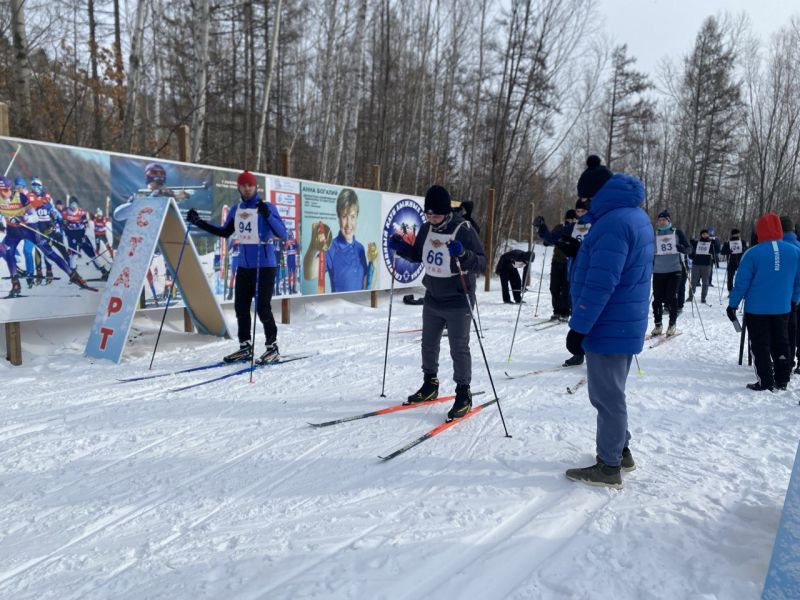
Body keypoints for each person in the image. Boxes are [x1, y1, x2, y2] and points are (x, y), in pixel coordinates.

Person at [564, 155, 654, 489]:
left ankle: (609, 465)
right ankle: (622, 449)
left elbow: (602, 282)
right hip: (621, 321)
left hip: (608, 324)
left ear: (595, 194)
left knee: (606, 398)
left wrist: (580, 326)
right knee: (612, 393)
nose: (584, 206)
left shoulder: (614, 223)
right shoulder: (633, 215)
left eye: (586, 199)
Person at [388, 185, 487, 421]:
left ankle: (464, 393)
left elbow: (483, 264)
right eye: (428, 214)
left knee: (458, 348)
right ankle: (430, 384)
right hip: (433, 296)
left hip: (458, 298)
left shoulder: (464, 229)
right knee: (428, 344)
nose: (432, 219)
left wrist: (464, 255)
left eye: (436, 215)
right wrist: (402, 248)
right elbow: (417, 255)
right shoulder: (426, 228)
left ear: (447, 212)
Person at [187, 170, 288, 364]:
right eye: (244, 185)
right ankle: (245, 347)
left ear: (255, 187)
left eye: (250, 185)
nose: (247, 188)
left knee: (262, 308)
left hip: (264, 265)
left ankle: (272, 347)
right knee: (240, 307)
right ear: (239, 188)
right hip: (244, 266)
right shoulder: (237, 209)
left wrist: (268, 217)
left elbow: (282, 234)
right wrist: (198, 222)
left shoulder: (266, 206)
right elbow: (225, 232)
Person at [727, 213, 800, 391]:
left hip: (757, 309)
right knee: (781, 342)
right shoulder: (795, 251)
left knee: (760, 345)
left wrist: (733, 304)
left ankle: (765, 381)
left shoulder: (752, 253)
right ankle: (782, 380)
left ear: (759, 230)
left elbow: (741, 283)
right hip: (783, 307)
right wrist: (794, 300)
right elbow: (798, 280)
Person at [0, 176, 91, 296]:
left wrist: (23, 218)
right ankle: (15, 283)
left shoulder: (20, 197)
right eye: (0, 191)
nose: (3, 194)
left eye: (5, 190)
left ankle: (74, 276)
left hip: (29, 229)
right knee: (7, 250)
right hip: (13, 232)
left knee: (49, 253)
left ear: (10, 189)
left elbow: (34, 215)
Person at [302, 189, 379, 293]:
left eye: (352, 217)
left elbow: (367, 285)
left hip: (360, 306)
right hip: (340, 308)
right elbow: (308, 274)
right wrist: (313, 247)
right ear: (338, 217)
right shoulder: (331, 247)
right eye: (344, 217)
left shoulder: (360, 248)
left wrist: (373, 262)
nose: (348, 224)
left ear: (357, 217)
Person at [534, 209, 578, 321]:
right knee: (554, 287)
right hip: (557, 261)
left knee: (566, 288)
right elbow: (549, 239)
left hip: (569, 262)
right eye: (568, 219)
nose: (570, 221)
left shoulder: (576, 229)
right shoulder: (560, 227)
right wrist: (543, 233)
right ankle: (557, 311)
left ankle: (565, 312)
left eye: (573, 219)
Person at [651, 210, 689, 336]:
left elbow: (689, 248)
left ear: (669, 220)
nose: (661, 222)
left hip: (674, 269)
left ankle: (672, 324)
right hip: (658, 270)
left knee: (671, 297)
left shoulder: (676, 232)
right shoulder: (655, 234)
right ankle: (658, 324)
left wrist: (683, 249)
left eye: (664, 220)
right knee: (657, 299)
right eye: (660, 220)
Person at [62, 196, 110, 280]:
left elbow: (85, 224)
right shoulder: (65, 212)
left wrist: (83, 232)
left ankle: (103, 271)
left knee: (91, 253)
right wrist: (66, 225)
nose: (74, 206)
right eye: (72, 204)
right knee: (74, 253)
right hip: (71, 235)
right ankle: (73, 274)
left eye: (75, 204)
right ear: (69, 205)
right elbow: (63, 223)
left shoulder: (81, 212)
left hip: (81, 234)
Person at [781, 216, 800, 373]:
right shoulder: (797, 246)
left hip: (784, 297)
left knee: (785, 330)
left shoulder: (778, 248)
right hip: (796, 296)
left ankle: (785, 359)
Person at [689, 230, 714, 304]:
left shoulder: (711, 243)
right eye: (703, 234)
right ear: (701, 235)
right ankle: (690, 296)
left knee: (705, 282)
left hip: (706, 264)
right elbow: (691, 252)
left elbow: (716, 250)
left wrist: (715, 244)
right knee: (693, 281)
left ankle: (703, 297)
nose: (705, 235)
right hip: (696, 264)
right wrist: (691, 241)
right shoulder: (696, 242)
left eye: (706, 234)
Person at [720, 228, 747, 293]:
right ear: (732, 235)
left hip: (740, 261)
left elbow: (746, 250)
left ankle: (739, 290)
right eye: (735, 234)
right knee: (730, 278)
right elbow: (722, 252)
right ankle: (730, 291)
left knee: (740, 277)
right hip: (731, 261)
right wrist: (728, 251)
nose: (737, 235)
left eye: (738, 233)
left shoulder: (742, 241)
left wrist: (743, 249)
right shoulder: (728, 242)